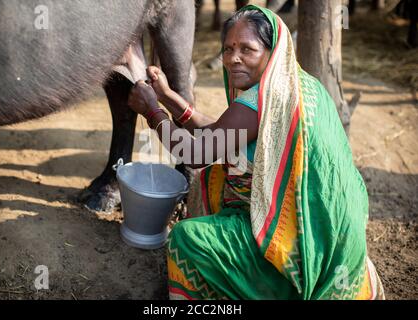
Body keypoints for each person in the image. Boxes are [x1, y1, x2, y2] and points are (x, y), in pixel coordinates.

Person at [127, 5, 384, 300]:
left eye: (247, 49)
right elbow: (225, 131)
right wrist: (168, 96)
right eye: (227, 49)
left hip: (290, 254)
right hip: (324, 237)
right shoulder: (295, 86)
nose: (234, 58)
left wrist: (152, 111)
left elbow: (195, 154)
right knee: (223, 174)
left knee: (185, 238)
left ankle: (261, 286)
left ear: (271, 52)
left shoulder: (257, 103)